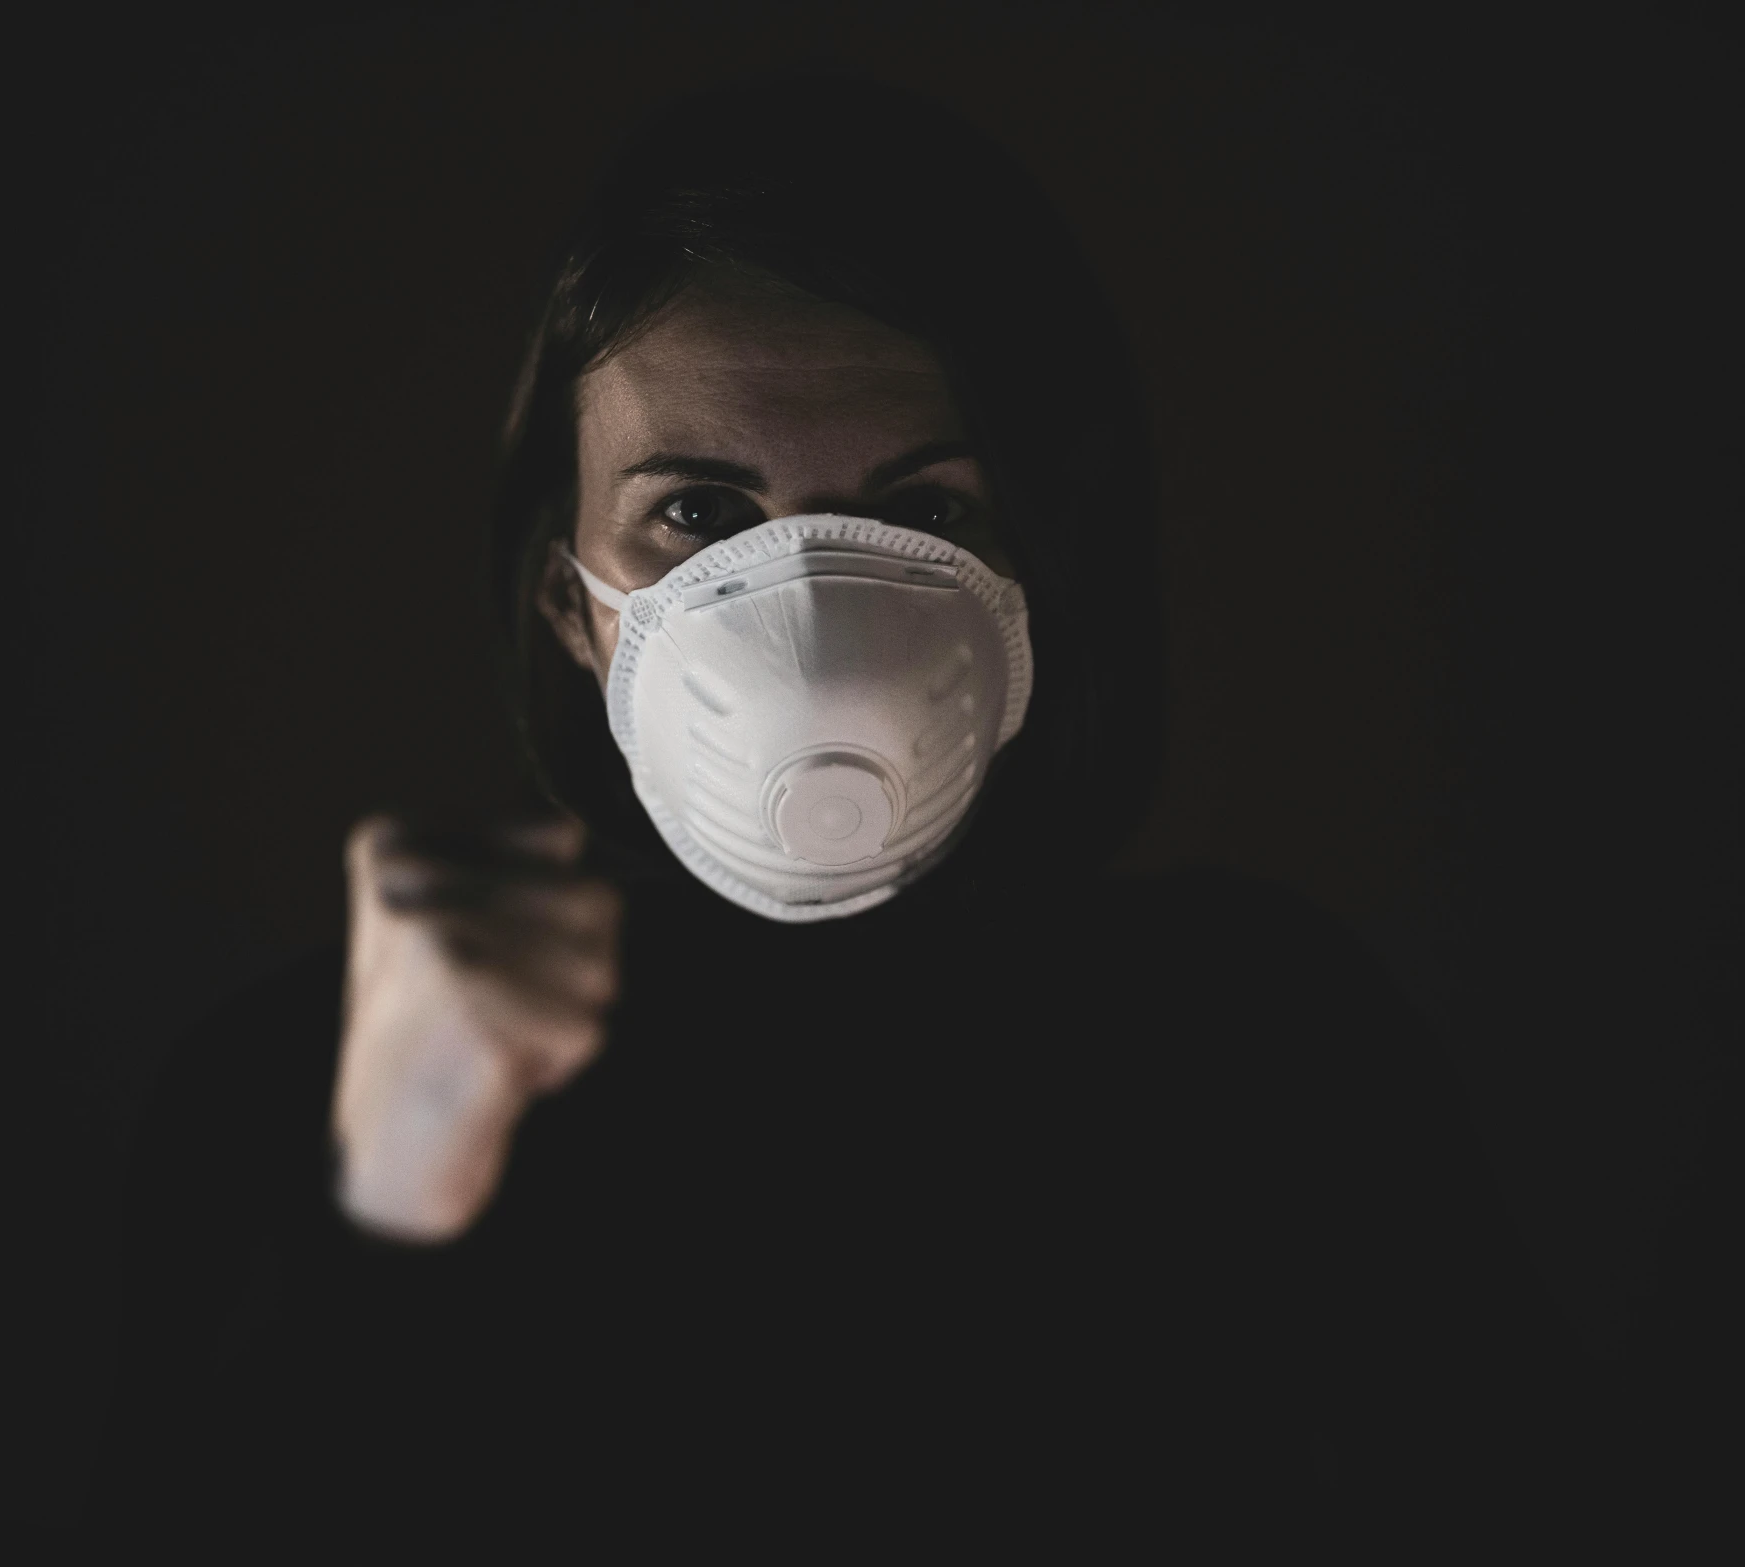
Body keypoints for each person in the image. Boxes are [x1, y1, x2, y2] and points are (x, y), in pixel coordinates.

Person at [88, 67, 1619, 1554]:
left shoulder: (1268, 1050)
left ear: (1040, 577)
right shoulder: (301, 1094)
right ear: (570, 598)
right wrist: (388, 1211)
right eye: (695, 513)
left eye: (924, 511)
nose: (810, 622)